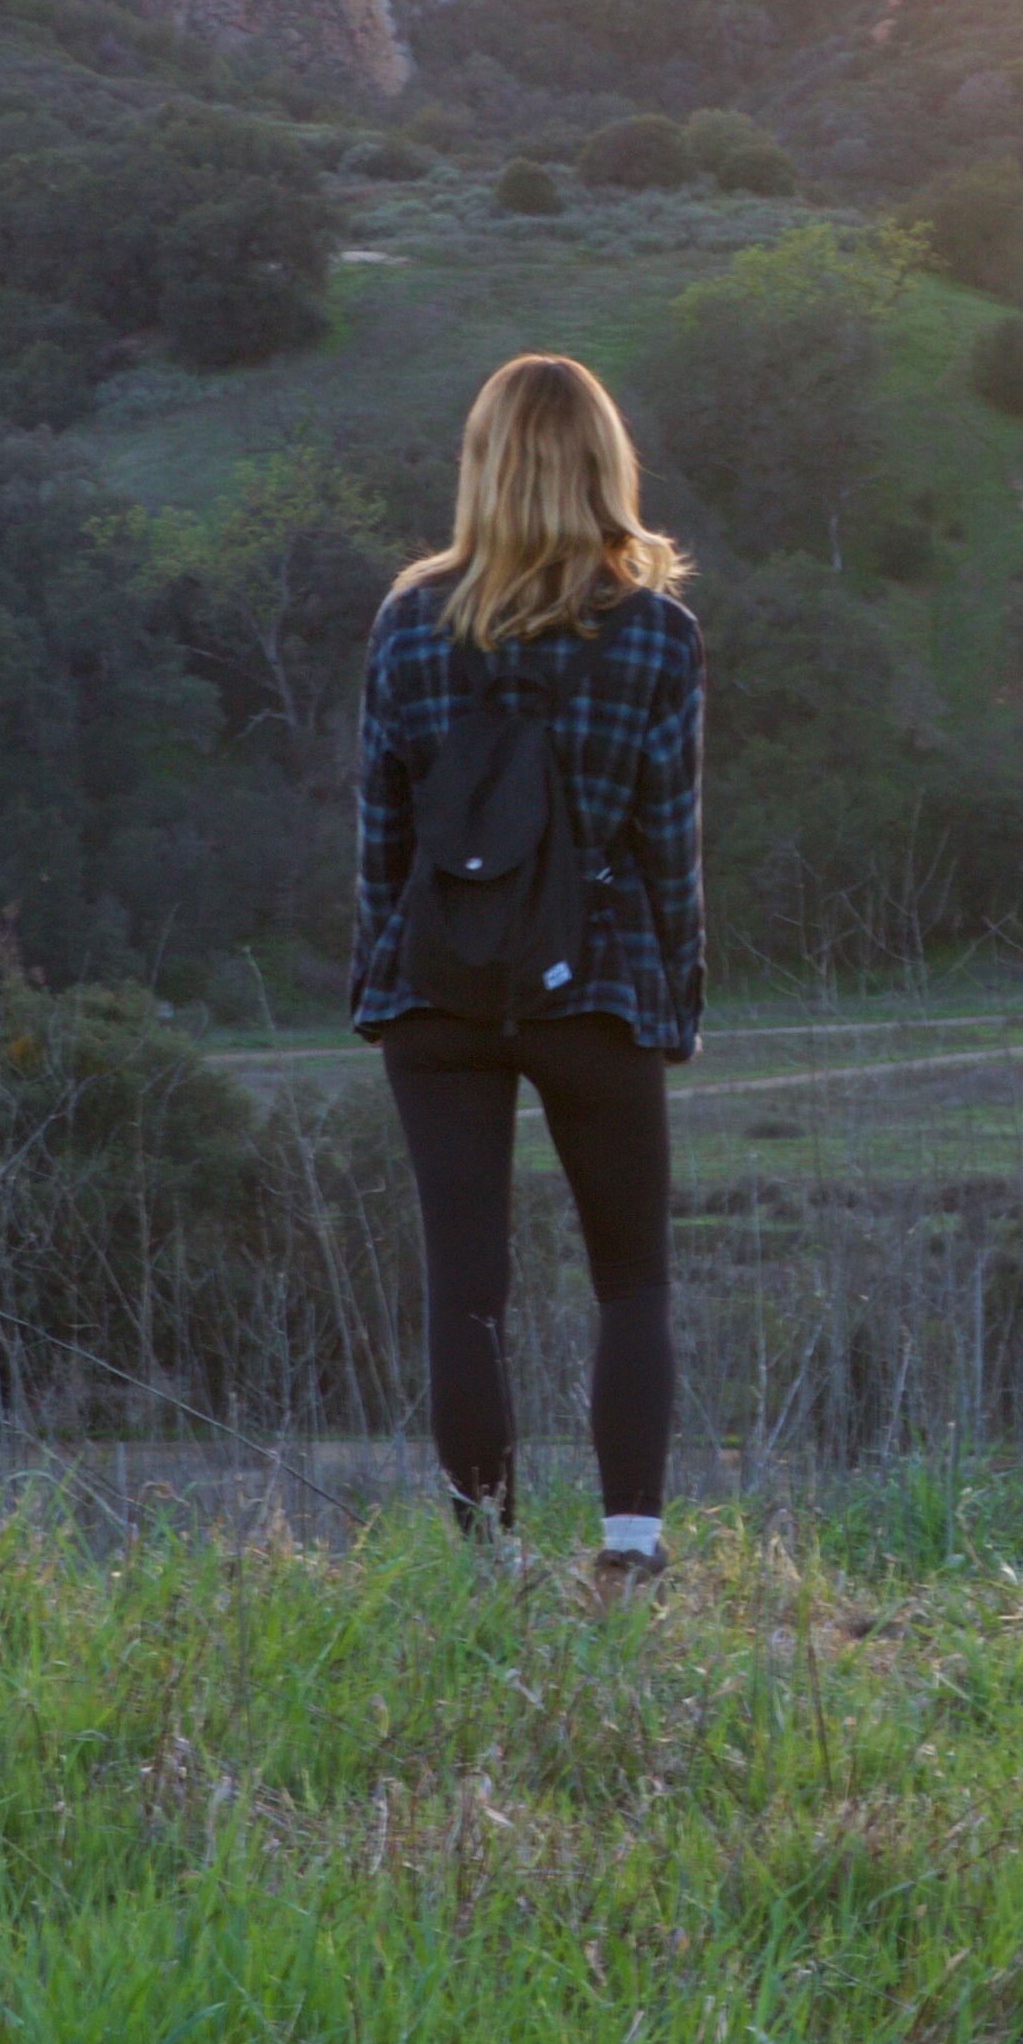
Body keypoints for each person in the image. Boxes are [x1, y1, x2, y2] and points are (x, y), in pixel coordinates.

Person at [351, 353, 702, 1591]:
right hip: (594, 986)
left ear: (483, 463)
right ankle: (628, 1554)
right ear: (606, 462)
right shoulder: (657, 634)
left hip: (436, 990)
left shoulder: (410, 620)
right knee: (633, 1276)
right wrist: (677, 1004)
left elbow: (381, 835)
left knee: (467, 1288)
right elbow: (668, 841)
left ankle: (486, 1559)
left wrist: (378, 981)